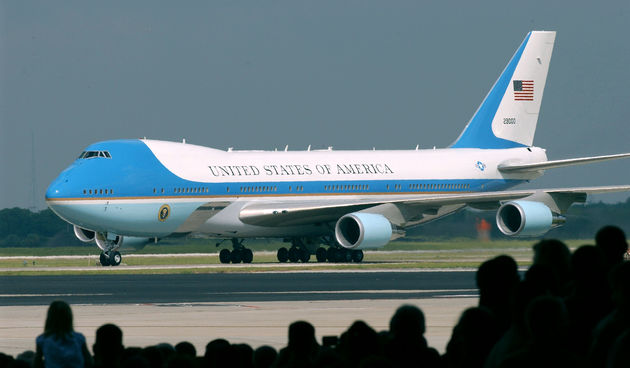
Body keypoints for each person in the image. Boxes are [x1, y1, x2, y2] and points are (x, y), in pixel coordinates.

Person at [34, 300, 92, 368]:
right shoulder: (79, 338)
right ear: (69, 318)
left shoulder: (42, 339)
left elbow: (36, 363)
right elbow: (89, 361)